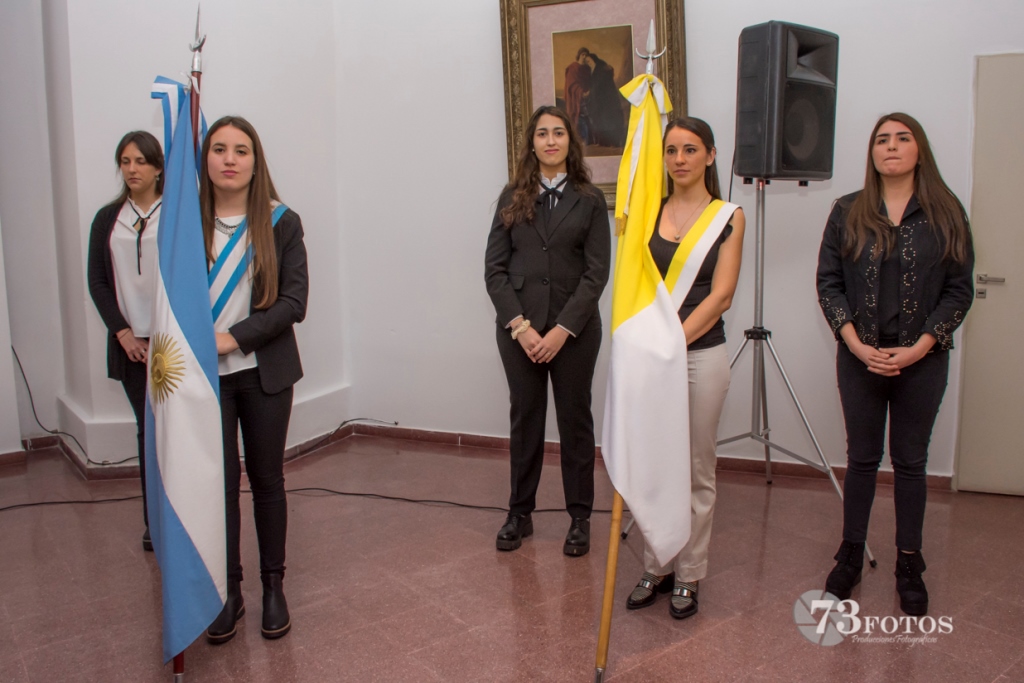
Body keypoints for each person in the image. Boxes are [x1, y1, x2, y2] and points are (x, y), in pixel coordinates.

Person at [817, 113, 973, 616]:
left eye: (902, 139)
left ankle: (910, 562)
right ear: (872, 153)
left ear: (919, 151)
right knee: (861, 459)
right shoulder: (846, 210)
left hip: (921, 360)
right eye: (881, 140)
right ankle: (851, 554)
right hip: (859, 358)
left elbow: (958, 290)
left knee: (910, 463)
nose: (890, 147)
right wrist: (856, 344)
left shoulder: (946, 212)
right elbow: (828, 283)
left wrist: (922, 345)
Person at [624, 117, 745, 619]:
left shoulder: (730, 216)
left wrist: (674, 341)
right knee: (656, 464)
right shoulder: (650, 212)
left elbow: (721, 296)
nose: (679, 159)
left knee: (696, 469)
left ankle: (690, 574)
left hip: (700, 357)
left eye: (690, 149)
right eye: (671, 150)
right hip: (655, 357)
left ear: (711, 156)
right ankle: (657, 563)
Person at [200, 116, 308, 643]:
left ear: (255, 160)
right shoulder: (186, 226)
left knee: (266, 481)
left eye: (241, 150)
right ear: (206, 160)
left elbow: (294, 303)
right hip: (204, 382)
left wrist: (232, 337)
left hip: (264, 374)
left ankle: (272, 587)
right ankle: (229, 593)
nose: (229, 159)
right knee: (218, 488)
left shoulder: (281, 222)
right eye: (218, 149)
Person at [485, 105, 610, 557]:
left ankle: (580, 518)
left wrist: (561, 331)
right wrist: (519, 327)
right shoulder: (511, 195)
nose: (551, 140)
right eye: (542, 133)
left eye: (559, 133)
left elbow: (597, 275)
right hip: (519, 331)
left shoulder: (590, 199)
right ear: (532, 143)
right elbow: (494, 270)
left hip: (573, 332)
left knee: (576, 422)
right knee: (526, 420)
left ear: (570, 143)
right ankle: (520, 512)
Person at [87, 130, 165, 553]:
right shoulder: (107, 218)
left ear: (157, 168)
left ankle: (184, 513)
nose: (131, 169)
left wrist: (165, 338)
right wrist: (123, 333)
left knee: (179, 431)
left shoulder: (175, 216)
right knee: (147, 431)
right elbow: (97, 282)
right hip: (130, 345)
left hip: (170, 345)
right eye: (125, 161)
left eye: (140, 161)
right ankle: (153, 521)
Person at [584, 52, 626, 148]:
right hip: (600, 102)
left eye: (589, 60)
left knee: (609, 122)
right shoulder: (594, 70)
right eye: (586, 62)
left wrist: (591, 92)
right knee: (602, 122)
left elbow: (600, 84)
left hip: (607, 100)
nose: (588, 62)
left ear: (594, 59)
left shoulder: (601, 68)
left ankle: (612, 143)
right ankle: (605, 143)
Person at [563, 48, 593, 143]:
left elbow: (590, 82)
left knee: (589, 119)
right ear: (579, 55)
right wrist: (581, 92)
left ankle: (589, 141)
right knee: (578, 120)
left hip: (587, 98)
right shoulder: (573, 68)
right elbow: (571, 84)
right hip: (576, 99)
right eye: (583, 54)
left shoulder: (587, 69)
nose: (584, 57)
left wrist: (589, 92)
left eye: (586, 55)